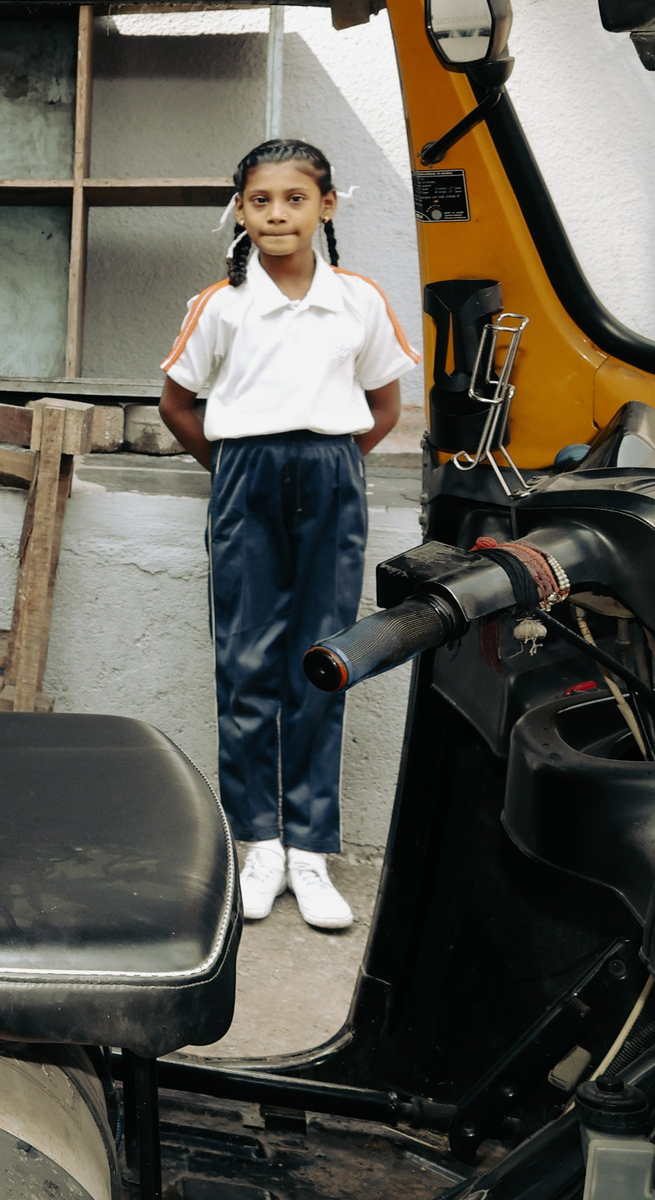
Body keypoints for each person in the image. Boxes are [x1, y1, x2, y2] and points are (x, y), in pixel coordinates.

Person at [157, 139, 417, 933]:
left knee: (321, 658)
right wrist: (239, 474)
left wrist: (329, 467)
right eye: (260, 200)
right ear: (241, 210)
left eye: (294, 199)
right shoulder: (222, 305)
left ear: (326, 207)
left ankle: (311, 852)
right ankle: (259, 844)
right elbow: (176, 403)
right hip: (245, 479)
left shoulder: (359, 299)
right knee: (245, 665)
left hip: (334, 477)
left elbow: (383, 408)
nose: (277, 214)